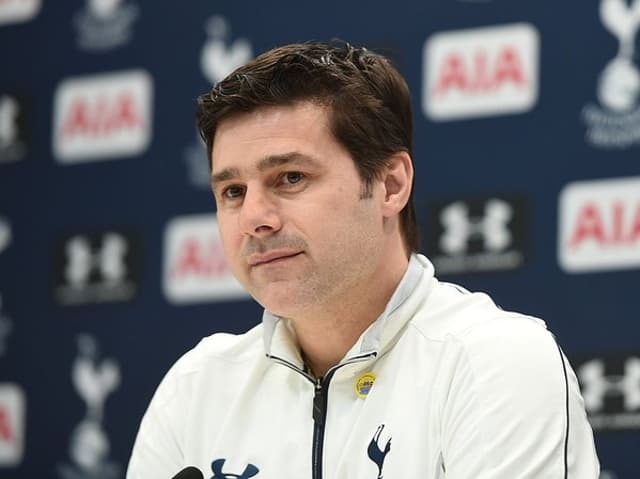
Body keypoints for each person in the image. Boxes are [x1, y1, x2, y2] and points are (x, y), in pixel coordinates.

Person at [127, 41, 599, 479]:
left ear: (390, 185)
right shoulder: (197, 386)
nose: (254, 218)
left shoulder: (493, 362)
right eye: (233, 191)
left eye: (290, 177)